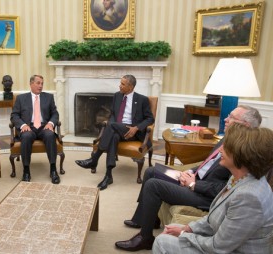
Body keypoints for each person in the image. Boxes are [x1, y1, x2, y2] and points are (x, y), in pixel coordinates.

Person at [114, 105, 262, 251]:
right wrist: (190, 171)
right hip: (195, 179)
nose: (226, 118)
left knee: (154, 185)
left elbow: (225, 189)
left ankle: (145, 238)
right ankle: (145, 219)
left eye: (231, 117)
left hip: (204, 195)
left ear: (245, 124)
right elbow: (207, 163)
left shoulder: (244, 152)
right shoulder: (227, 138)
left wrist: (194, 184)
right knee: (151, 171)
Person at [153, 123, 273, 254]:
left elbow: (218, 247)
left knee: (162, 242)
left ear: (242, 154)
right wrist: (188, 228)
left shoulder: (249, 197)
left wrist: (182, 234)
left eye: (226, 148)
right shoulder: (238, 178)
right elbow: (213, 219)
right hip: (223, 244)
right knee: (172, 229)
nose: (220, 150)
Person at [75, 74, 154, 190]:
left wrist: (136, 128)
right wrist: (112, 123)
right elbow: (112, 115)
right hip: (117, 129)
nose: (120, 86)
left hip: (132, 132)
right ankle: (108, 176)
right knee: (114, 136)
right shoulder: (117, 96)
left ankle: (94, 159)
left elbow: (150, 119)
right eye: (120, 83)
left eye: (123, 84)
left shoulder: (142, 99)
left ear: (131, 87)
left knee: (111, 126)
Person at [10, 74, 60, 184]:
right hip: (29, 126)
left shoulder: (49, 97)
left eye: (42, 83)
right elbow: (14, 115)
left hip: (44, 126)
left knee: (50, 135)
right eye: (38, 83)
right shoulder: (21, 98)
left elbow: (55, 114)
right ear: (31, 84)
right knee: (27, 136)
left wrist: (51, 123)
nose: (41, 86)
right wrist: (23, 125)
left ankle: (53, 170)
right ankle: (26, 171)